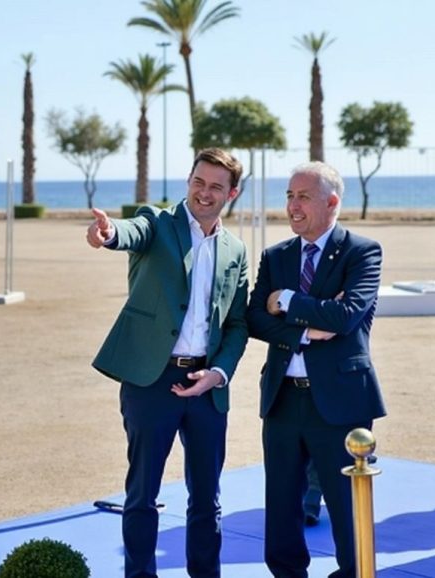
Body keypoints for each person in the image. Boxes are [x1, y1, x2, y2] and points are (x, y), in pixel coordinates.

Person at [87, 148, 250, 578]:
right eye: (198, 182)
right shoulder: (158, 224)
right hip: (151, 381)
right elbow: (130, 232)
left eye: (216, 186)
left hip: (207, 385)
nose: (204, 192)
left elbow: (237, 324)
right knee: (142, 495)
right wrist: (108, 233)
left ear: (231, 194)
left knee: (207, 499)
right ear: (188, 181)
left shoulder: (235, 250)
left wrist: (218, 374)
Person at [246, 161, 386, 578]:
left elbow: (345, 316)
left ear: (332, 202)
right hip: (283, 399)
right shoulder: (276, 256)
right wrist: (309, 330)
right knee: (282, 504)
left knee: (346, 504)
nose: (292, 205)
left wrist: (287, 300)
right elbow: (256, 319)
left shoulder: (362, 252)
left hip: (341, 403)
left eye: (303, 197)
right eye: (289, 196)